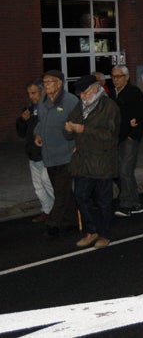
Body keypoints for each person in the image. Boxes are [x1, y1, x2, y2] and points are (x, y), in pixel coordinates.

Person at [66, 75, 120, 249]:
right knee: (80, 196)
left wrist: (84, 129)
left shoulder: (109, 106)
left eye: (84, 93)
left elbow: (110, 136)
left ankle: (105, 234)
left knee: (104, 200)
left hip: (102, 161)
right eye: (79, 94)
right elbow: (69, 131)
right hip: (83, 161)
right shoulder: (79, 107)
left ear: (96, 89)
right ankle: (91, 230)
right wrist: (68, 129)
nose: (81, 96)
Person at [34, 70, 79, 239]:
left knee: (61, 192)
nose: (46, 85)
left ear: (59, 83)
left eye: (49, 82)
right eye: (44, 82)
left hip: (66, 154)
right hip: (49, 155)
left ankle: (52, 224)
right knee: (63, 191)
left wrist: (77, 145)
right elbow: (40, 123)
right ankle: (72, 222)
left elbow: (79, 125)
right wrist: (37, 134)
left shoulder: (71, 101)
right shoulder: (43, 101)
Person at [109, 65, 143, 217]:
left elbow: (141, 116)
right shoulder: (111, 94)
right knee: (120, 171)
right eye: (113, 76)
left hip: (130, 138)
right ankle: (133, 201)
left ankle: (127, 203)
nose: (115, 79)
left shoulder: (134, 92)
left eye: (118, 76)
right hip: (116, 138)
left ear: (126, 77)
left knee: (126, 170)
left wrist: (133, 133)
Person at [16, 81, 54, 223]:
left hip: (46, 153)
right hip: (33, 154)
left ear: (42, 91)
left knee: (47, 182)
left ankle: (61, 210)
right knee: (38, 186)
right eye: (29, 93)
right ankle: (47, 210)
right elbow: (21, 133)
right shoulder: (29, 109)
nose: (31, 96)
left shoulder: (49, 107)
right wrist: (22, 120)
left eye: (34, 93)